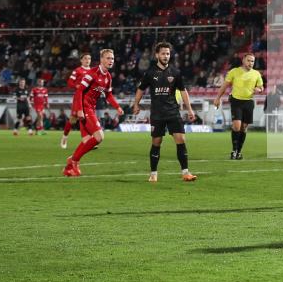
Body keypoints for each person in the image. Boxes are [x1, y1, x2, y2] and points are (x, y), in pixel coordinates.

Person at [132, 42, 197, 183]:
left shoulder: (175, 72)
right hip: (157, 113)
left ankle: (186, 172)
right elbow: (140, 89)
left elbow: (183, 91)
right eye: (163, 53)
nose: (166, 56)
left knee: (181, 139)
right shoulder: (150, 72)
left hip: (173, 111)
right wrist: (136, 104)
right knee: (157, 142)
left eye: (168, 53)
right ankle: (153, 173)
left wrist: (190, 109)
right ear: (157, 55)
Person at [64, 49, 124, 177]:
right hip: (85, 107)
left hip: (91, 108)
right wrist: (80, 109)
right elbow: (80, 91)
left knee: (87, 141)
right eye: (108, 58)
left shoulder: (108, 77)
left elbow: (108, 95)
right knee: (99, 137)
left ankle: (70, 164)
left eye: (112, 58)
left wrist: (117, 107)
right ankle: (73, 160)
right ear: (101, 59)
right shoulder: (92, 73)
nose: (111, 61)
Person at [213, 53, 264, 159]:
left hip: (249, 102)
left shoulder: (256, 74)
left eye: (252, 61)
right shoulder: (234, 72)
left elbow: (261, 87)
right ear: (243, 60)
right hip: (236, 101)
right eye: (249, 60)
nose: (251, 63)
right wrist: (218, 98)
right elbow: (224, 86)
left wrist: (258, 90)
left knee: (244, 128)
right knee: (236, 126)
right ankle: (234, 150)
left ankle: (239, 152)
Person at [61, 52, 92, 149]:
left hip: (89, 98)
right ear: (81, 60)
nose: (87, 60)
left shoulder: (93, 71)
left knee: (87, 119)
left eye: (89, 59)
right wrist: (76, 86)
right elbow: (70, 82)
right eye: (85, 58)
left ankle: (87, 139)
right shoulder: (77, 70)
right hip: (79, 97)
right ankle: (65, 137)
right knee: (73, 119)